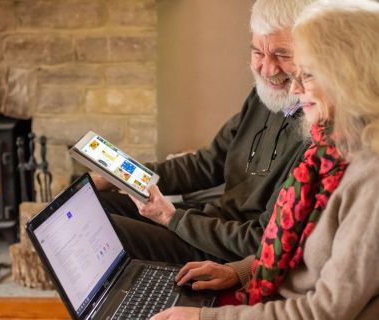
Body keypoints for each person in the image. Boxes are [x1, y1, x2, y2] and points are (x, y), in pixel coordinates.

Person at [152, 0, 379, 318]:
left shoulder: (370, 179)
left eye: (308, 74)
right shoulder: (331, 154)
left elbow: (324, 311)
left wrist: (206, 318)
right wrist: (240, 272)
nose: (295, 89)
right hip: (265, 291)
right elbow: (297, 251)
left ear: (349, 78)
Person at [95, 0, 316, 264]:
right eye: (257, 53)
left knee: (103, 229)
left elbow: (261, 241)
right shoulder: (264, 97)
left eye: (282, 54)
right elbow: (207, 164)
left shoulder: (315, 133)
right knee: (96, 202)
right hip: (206, 223)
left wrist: (170, 217)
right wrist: (121, 174)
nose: (267, 69)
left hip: (223, 251)